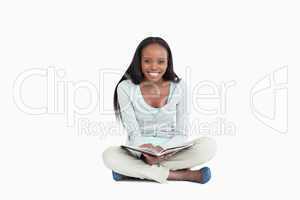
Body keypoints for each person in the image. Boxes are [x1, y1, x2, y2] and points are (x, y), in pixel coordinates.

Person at [102, 37, 217, 184]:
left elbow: (182, 132)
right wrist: (144, 153)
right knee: (109, 155)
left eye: (160, 61)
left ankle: (132, 171)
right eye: (147, 61)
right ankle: (183, 175)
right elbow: (133, 133)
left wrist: (164, 151)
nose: (154, 67)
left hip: (171, 151)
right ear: (139, 62)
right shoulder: (125, 88)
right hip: (139, 152)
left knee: (208, 146)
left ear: (168, 62)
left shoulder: (179, 87)